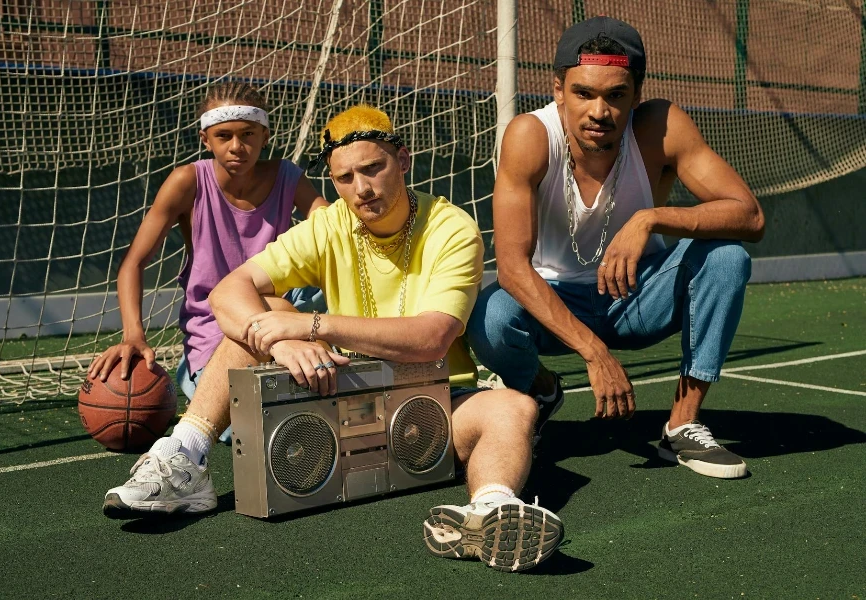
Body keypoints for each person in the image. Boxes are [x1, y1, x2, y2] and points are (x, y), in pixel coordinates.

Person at [103, 105, 564, 573]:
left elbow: (431, 337)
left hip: (431, 401)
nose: (361, 189)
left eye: (373, 168)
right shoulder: (329, 224)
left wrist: (312, 326)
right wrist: (279, 341)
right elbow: (228, 291)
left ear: (402, 160)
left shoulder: (451, 228)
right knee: (264, 317)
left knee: (514, 408)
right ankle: (186, 458)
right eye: (344, 178)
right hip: (342, 397)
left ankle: (489, 510)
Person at [466, 16, 765, 479]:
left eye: (615, 95)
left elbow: (750, 216)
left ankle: (682, 426)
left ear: (636, 95)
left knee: (727, 258)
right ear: (559, 90)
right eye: (583, 93)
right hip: (555, 299)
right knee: (490, 317)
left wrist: (651, 218)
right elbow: (511, 268)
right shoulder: (530, 136)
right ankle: (541, 390)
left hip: (636, 295)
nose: (599, 111)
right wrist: (594, 354)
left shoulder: (660, 127)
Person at [87, 81, 328, 443]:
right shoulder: (188, 181)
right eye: (224, 135)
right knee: (250, 431)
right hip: (220, 331)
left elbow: (332, 230)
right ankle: (196, 374)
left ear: (265, 134)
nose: (236, 146)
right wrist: (133, 334)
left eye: (248, 134)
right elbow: (133, 263)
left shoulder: (287, 177)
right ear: (206, 139)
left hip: (282, 316)